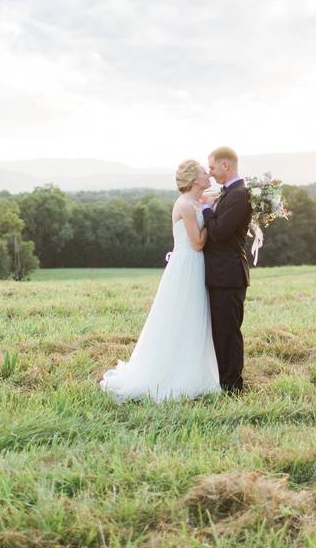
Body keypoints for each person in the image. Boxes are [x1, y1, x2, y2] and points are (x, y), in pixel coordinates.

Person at [99, 159, 222, 402]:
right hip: (187, 265)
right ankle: (172, 375)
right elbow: (197, 243)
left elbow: (218, 195)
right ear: (193, 179)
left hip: (195, 266)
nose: (208, 174)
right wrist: (211, 217)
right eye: (202, 172)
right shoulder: (186, 204)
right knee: (180, 317)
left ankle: (193, 369)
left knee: (193, 316)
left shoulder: (197, 200)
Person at [201, 146, 252, 393]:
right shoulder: (228, 193)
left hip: (229, 275)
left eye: (211, 167)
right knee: (220, 332)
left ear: (226, 166)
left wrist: (205, 210)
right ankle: (223, 381)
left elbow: (220, 232)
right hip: (220, 274)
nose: (209, 173)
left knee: (229, 333)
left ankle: (233, 386)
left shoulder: (239, 195)